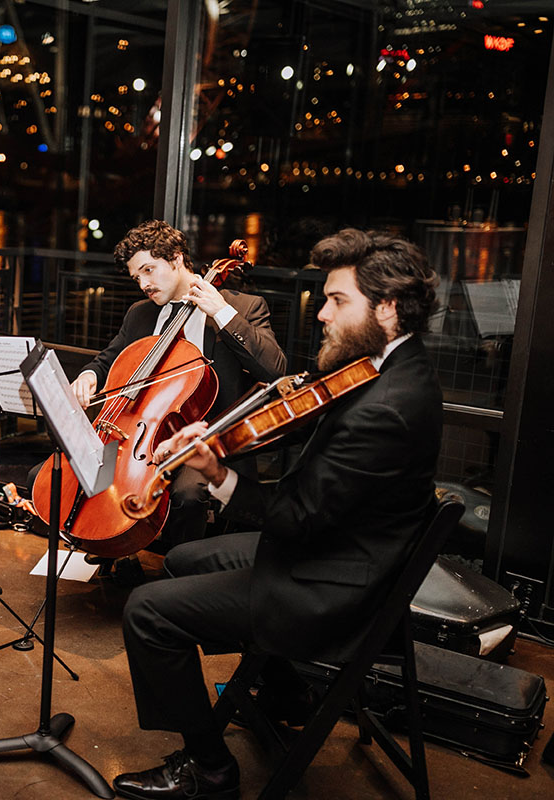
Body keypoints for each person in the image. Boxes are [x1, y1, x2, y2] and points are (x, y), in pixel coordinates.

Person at [111, 229, 442, 800]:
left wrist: (219, 477)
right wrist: (216, 439)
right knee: (183, 559)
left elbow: (290, 519)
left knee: (146, 611)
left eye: (337, 301)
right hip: (339, 548)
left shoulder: (387, 408)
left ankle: (209, 769)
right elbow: (297, 419)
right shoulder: (384, 366)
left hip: (332, 585)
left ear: (386, 309)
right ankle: (285, 692)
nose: (321, 315)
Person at [70, 220, 286, 551]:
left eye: (148, 270)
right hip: (141, 435)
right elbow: (107, 360)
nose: (143, 284)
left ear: (176, 258)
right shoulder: (140, 314)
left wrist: (222, 312)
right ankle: (116, 547)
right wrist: (89, 375)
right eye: (136, 277)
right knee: (70, 482)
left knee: (188, 495)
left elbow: (276, 369)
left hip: (208, 440)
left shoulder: (243, 307)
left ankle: (179, 571)